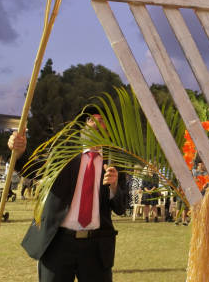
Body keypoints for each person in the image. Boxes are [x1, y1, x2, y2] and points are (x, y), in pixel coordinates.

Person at [9, 108, 127, 282]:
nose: (97, 123)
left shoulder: (115, 163)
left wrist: (114, 187)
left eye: (102, 121)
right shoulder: (64, 153)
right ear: (83, 127)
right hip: (59, 243)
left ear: (109, 131)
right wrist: (19, 153)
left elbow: (121, 207)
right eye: (91, 120)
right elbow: (34, 170)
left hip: (96, 247)